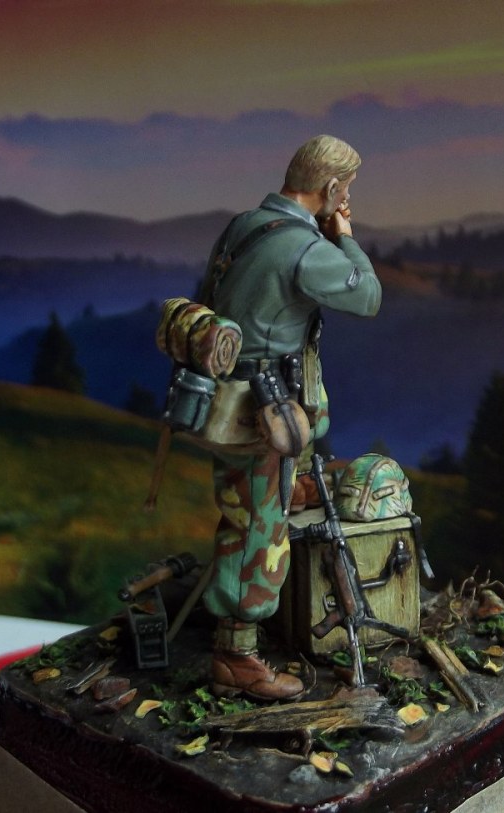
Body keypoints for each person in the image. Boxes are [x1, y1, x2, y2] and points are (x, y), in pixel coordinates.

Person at [200, 134, 381, 700]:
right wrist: (345, 238)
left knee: (252, 505)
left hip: (234, 398)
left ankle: (288, 487)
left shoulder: (245, 225)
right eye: (345, 190)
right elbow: (368, 296)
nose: (346, 198)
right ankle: (237, 655)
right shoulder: (303, 249)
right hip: (261, 413)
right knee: (257, 528)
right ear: (330, 187)